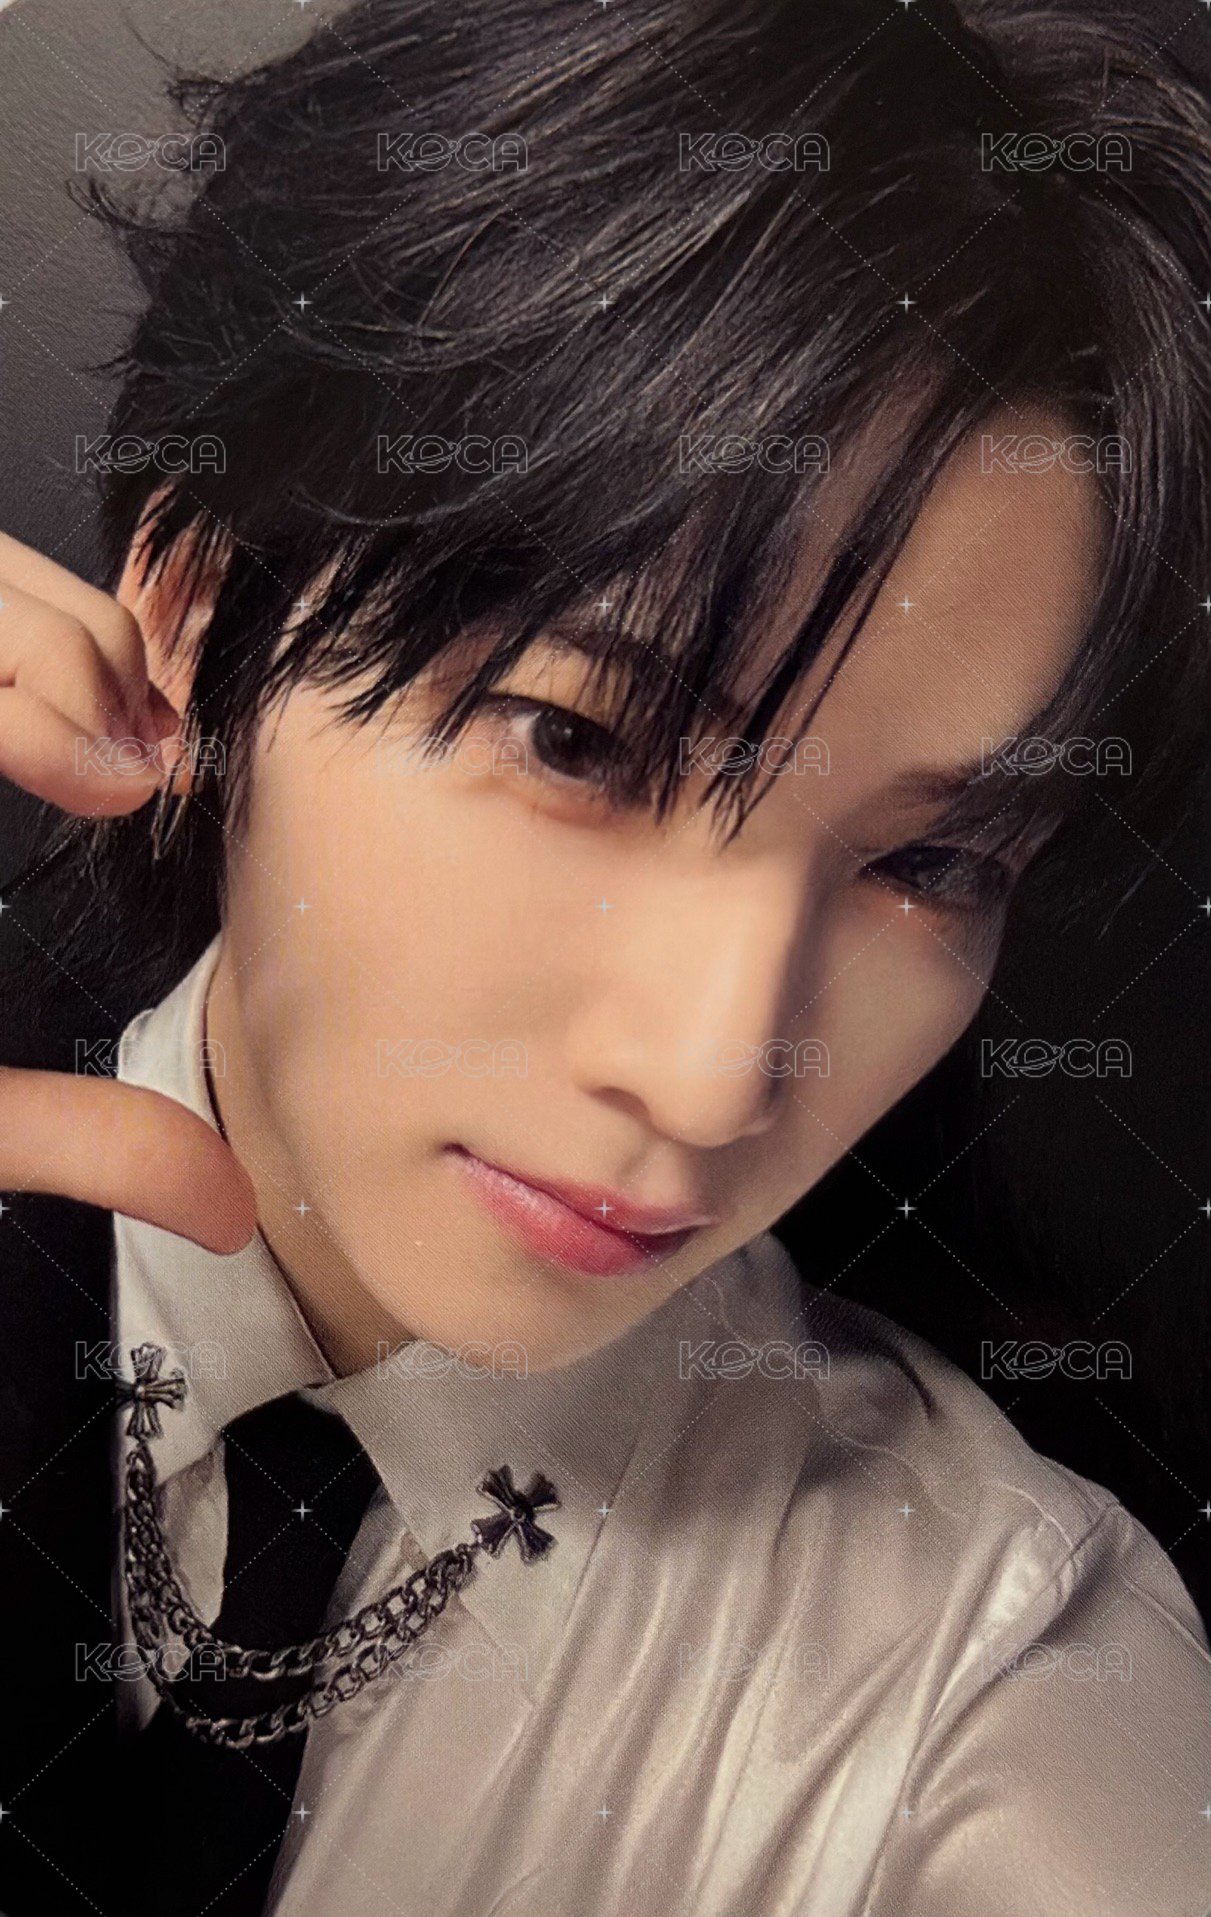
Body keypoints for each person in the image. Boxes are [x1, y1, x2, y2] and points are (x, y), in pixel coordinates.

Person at [0, 1, 1209, 1912]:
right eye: (578, 740)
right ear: (193, 610)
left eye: (932, 863)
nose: (716, 1075)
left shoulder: (968, 1695)